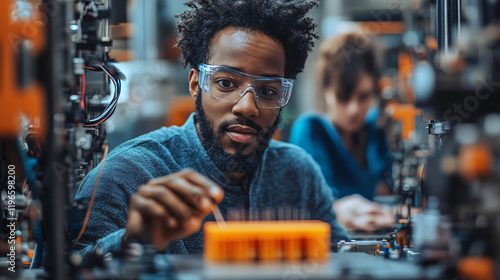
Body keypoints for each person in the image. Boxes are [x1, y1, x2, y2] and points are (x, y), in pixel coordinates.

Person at [32, 0, 348, 267]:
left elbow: (342, 262)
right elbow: (61, 269)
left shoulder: (299, 175)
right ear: (196, 83)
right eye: (226, 83)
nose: (247, 107)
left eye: (268, 91)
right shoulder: (128, 175)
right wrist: (133, 241)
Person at [289, 32, 394, 232]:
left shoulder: (374, 130)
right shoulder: (310, 129)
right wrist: (335, 210)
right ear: (326, 90)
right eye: (343, 97)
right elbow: (308, 204)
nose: (354, 109)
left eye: (363, 97)